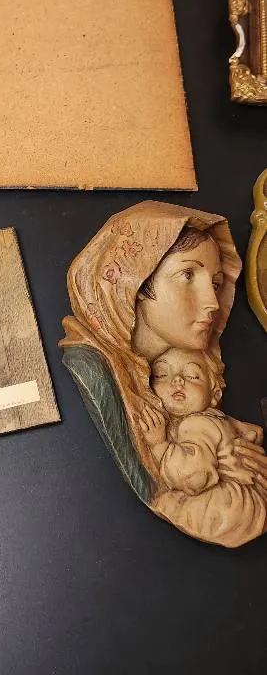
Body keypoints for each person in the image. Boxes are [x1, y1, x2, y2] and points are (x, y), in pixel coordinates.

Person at [60, 201, 267, 545]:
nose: (213, 302)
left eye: (216, 284)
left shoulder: (189, 373)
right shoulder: (95, 370)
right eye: (188, 275)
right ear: (134, 280)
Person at [140, 347, 266, 546]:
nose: (178, 380)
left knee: (167, 504)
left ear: (214, 394)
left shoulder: (196, 424)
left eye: (193, 376)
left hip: (226, 506)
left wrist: (159, 445)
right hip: (248, 502)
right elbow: (253, 432)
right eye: (162, 374)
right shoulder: (218, 419)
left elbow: (194, 475)